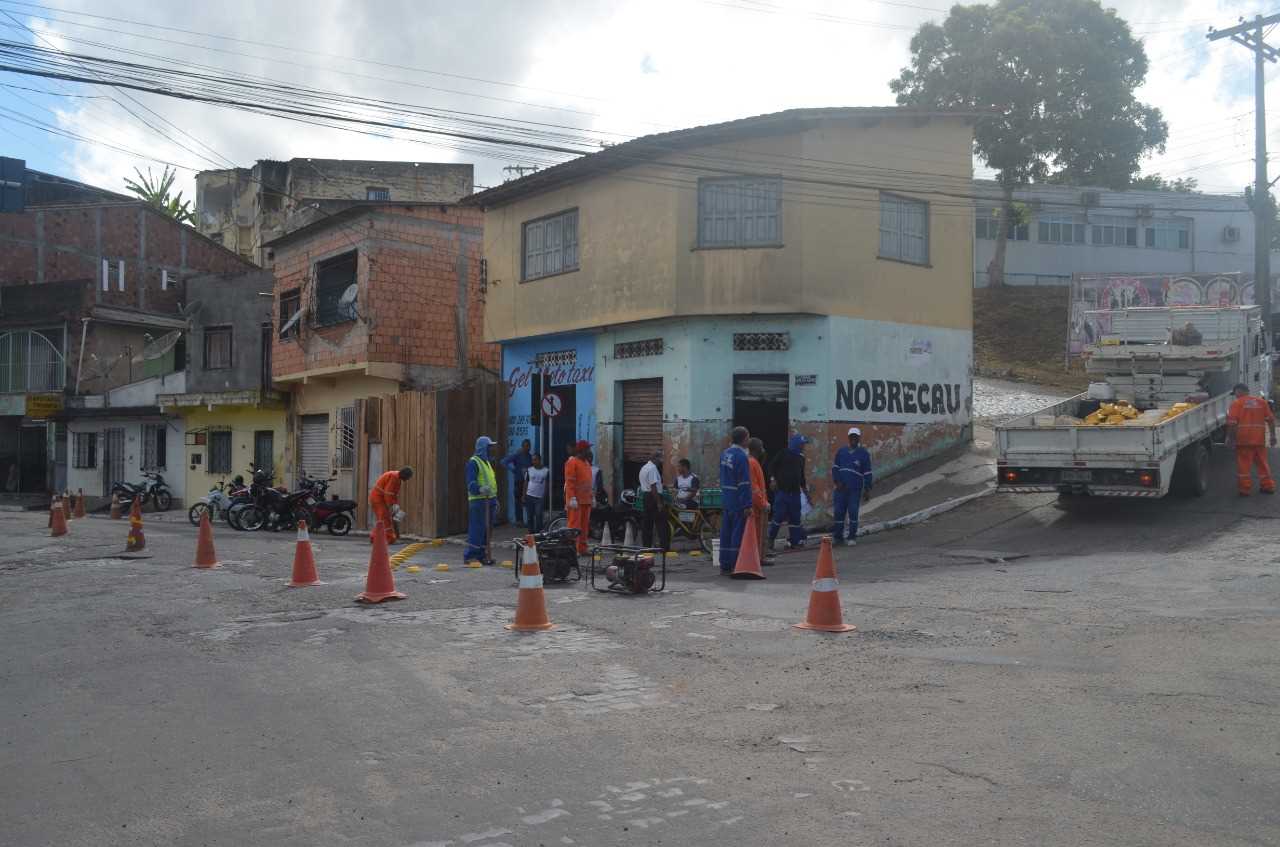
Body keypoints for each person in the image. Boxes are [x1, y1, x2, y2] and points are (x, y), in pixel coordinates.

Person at [1226, 382, 1277, 496]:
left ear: (1239, 390)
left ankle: (1245, 490)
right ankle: (1268, 486)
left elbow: (1232, 424)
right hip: (1259, 440)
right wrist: (1273, 436)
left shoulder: (1236, 403)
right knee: (1263, 464)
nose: (1235, 395)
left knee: (1244, 466)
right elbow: (1270, 420)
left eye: (1235, 393)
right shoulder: (1261, 402)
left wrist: (1230, 438)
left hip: (1244, 441)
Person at [831, 427, 874, 546]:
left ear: (859, 438)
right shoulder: (841, 451)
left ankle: (852, 537)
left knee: (853, 513)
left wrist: (867, 489)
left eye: (856, 437)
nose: (853, 439)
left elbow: (867, 472)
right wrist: (837, 482)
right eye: (852, 436)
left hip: (855, 490)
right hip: (840, 489)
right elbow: (835, 468)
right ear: (848, 438)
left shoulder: (864, 454)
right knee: (838, 513)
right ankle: (838, 538)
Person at [718, 426, 752, 574]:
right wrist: (747, 504)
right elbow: (744, 483)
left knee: (726, 532)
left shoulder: (724, 454)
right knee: (737, 532)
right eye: (748, 437)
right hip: (737, 499)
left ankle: (724, 564)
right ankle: (735, 563)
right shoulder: (741, 456)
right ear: (744, 439)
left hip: (726, 498)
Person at [768, 433, 809, 550]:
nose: (803, 446)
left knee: (795, 518)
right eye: (802, 444)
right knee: (778, 516)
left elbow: (801, 476)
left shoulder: (801, 458)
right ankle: (770, 540)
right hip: (782, 492)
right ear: (796, 444)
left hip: (795, 493)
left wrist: (805, 490)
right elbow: (772, 466)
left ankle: (794, 541)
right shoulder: (783, 453)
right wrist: (773, 479)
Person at [464, 437, 498, 564]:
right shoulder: (473, 462)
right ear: (483, 448)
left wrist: (495, 499)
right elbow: (471, 484)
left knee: (486, 530)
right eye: (489, 447)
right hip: (479, 501)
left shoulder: (487, 462)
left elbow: (491, 482)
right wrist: (480, 489)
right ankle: (471, 556)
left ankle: (482, 555)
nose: (491, 449)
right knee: (477, 529)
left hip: (490, 500)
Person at [369, 466, 412, 545]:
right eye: (408, 477)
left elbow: (393, 494)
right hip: (378, 499)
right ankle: (390, 539)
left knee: (381, 520)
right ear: (404, 475)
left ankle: (374, 538)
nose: (407, 479)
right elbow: (388, 493)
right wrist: (392, 505)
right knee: (385, 519)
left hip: (378, 498)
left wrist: (395, 504)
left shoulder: (396, 477)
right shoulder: (394, 478)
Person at [564, 440, 593, 555]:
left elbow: (589, 482)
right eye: (588, 449)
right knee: (574, 526)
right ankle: (572, 549)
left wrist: (592, 496)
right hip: (576, 501)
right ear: (582, 450)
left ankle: (582, 548)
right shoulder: (572, 462)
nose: (590, 451)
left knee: (584, 527)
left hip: (586, 500)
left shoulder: (586, 463)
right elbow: (570, 482)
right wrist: (572, 498)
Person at [747, 438, 770, 565]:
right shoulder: (752, 463)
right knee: (757, 535)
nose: (763, 450)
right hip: (757, 507)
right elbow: (754, 488)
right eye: (761, 447)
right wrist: (763, 504)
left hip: (759, 505)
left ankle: (760, 557)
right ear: (757, 449)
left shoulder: (754, 462)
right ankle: (758, 559)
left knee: (759, 535)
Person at [638, 448, 667, 549]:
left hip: (646, 496)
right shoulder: (652, 468)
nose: (661, 461)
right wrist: (659, 502)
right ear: (656, 458)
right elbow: (653, 486)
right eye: (660, 458)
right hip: (653, 497)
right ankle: (664, 547)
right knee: (661, 522)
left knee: (647, 523)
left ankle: (647, 547)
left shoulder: (644, 467)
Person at [502, 439, 533, 525]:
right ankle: (519, 521)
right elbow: (504, 462)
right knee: (518, 502)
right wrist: (513, 470)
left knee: (528, 501)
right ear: (522, 446)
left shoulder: (530, 457)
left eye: (528, 446)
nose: (527, 448)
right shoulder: (517, 455)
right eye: (525, 446)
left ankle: (529, 521)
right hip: (519, 481)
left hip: (528, 482)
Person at [523, 453, 550, 532]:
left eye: (535, 460)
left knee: (539, 515)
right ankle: (530, 532)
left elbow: (547, 484)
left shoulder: (546, 471)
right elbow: (526, 483)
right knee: (530, 516)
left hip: (539, 497)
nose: (533, 461)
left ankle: (538, 532)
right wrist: (523, 495)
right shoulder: (529, 470)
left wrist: (545, 495)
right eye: (532, 460)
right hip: (529, 496)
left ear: (539, 460)